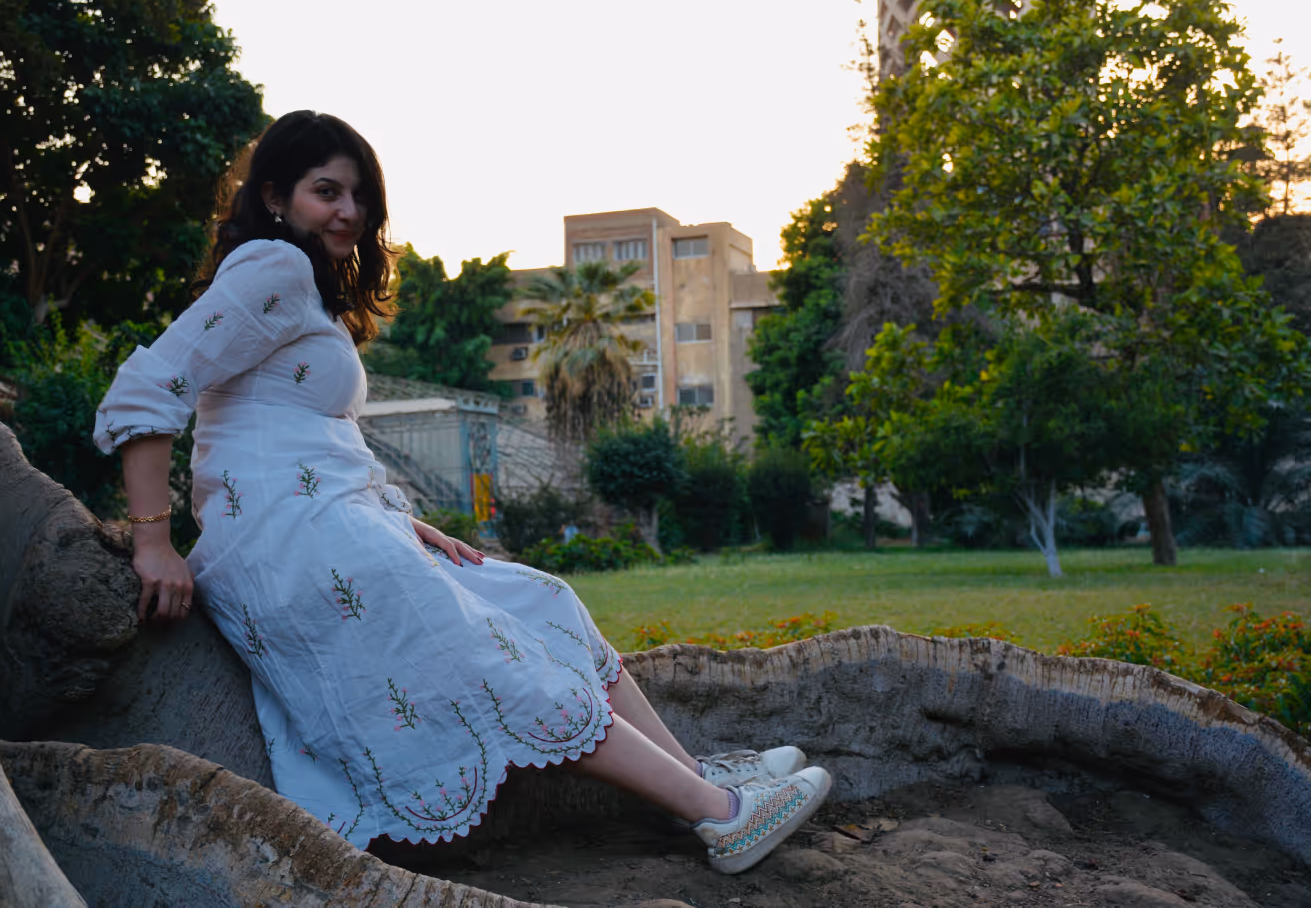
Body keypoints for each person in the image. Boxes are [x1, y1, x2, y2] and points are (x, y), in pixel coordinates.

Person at [94, 110, 830, 874]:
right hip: (290, 542)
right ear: (275, 196)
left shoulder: (302, 288)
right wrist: (154, 540)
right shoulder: (273, 267)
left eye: (360, 196)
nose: (349, 211)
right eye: (327, 191)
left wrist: (398, 520)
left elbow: (311, 438)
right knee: (498, 661)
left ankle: (698, 780)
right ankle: (723, 817)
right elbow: (150, 384)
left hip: (331, 523)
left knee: (543, 601)